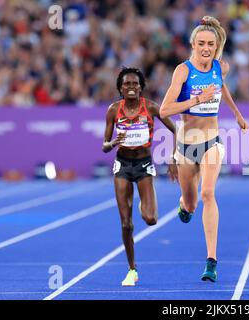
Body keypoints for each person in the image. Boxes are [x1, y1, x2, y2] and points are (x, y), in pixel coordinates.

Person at [159, 16, 249, 282]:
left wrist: (237, 113)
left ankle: (211, 260)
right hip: (186, 147)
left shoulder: (221, 68)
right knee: (192, 202)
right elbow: (164, 110)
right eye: (201, 43)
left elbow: (223, 89)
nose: (206, 48)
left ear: (216, 45)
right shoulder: (183, 71)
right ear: (193, 44)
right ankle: (184, 205)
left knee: (208, 193)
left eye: (210, 43)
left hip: (211, 142)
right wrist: (198, 99)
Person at [102, 67, 178, 286]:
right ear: (120, 88)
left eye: (135, 84)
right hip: (123, 166)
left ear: (141, 87)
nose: (131, 87)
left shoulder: (152, 108)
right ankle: (132, 269)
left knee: (150, 219)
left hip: (144, 166)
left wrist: (173, 160)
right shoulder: (113, 110)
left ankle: (144, 201)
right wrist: (112, 143)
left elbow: (177, 130)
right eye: (127, 84)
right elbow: (105, 146)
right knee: (126, 224)